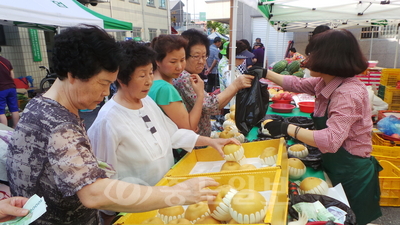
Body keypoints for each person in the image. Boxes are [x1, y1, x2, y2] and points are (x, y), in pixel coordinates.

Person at [7, 25, 221, 225]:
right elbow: (93, 192)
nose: (105, 93)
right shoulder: (57, 123)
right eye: (102, 83)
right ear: (72, 75)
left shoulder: (43, 107)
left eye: (109, 84)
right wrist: (179, 193)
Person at [261, 29, 382, 225]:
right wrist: (265, 73)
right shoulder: (327, 81)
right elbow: (297, 83)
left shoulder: (348, 93)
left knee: (351, 218)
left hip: (352, 172)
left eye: (312, 54)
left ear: (329, 57)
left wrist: (286, 128)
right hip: (336, 164)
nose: (307, 60)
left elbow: (331, 140)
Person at [88, 40, 238, 186]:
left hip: (166, 191)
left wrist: (211, 142)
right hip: (134, 204)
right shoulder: (108, 121)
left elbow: (172, 134)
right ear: (121, 79)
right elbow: (104, 178)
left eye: (150, 73)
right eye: (142, 75)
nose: (149, 81)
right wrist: (110, 211)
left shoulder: (146, 102)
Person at [173, 29, 254, 136]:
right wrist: (235, 85)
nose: (202, 61)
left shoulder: (191, 76)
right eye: (196, 56)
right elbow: (209, 106)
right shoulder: (185, 78)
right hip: (194, 142)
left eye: (204, 56)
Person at [149, 35, 204, 132]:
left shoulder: (150, 83)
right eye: (173, 62)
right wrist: (200, 95)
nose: (179, 67)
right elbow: (189, 127)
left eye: (182, 60)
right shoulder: (165, 88)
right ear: (157, 61)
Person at [0, 46, 19, 128]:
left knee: (1, 112)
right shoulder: (6, 61)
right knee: (14, 109)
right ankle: (15, 128)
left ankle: (4, 130)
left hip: (1, 89)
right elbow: (12, 76)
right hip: (11, 87)